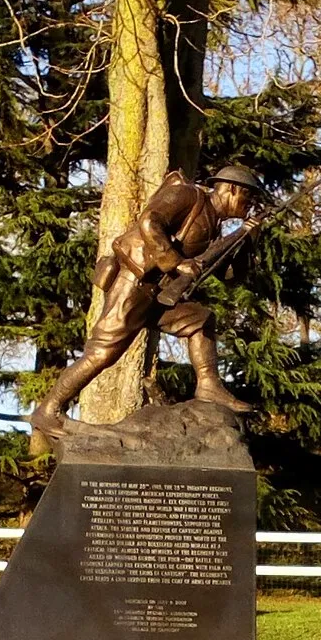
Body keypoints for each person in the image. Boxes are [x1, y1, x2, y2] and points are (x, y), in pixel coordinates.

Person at [28, 164, 263, 445]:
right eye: (247, 199)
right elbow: (150, 221)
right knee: (102, 353)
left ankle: (209, 385)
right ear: (231, 189)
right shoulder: (187, 196)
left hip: (161, 294)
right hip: (134, 283)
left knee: (200, 319)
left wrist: (249, 239)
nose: (248, 206)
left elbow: (229, 277)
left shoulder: (215, 225)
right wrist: (176, 262)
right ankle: (49, 409)